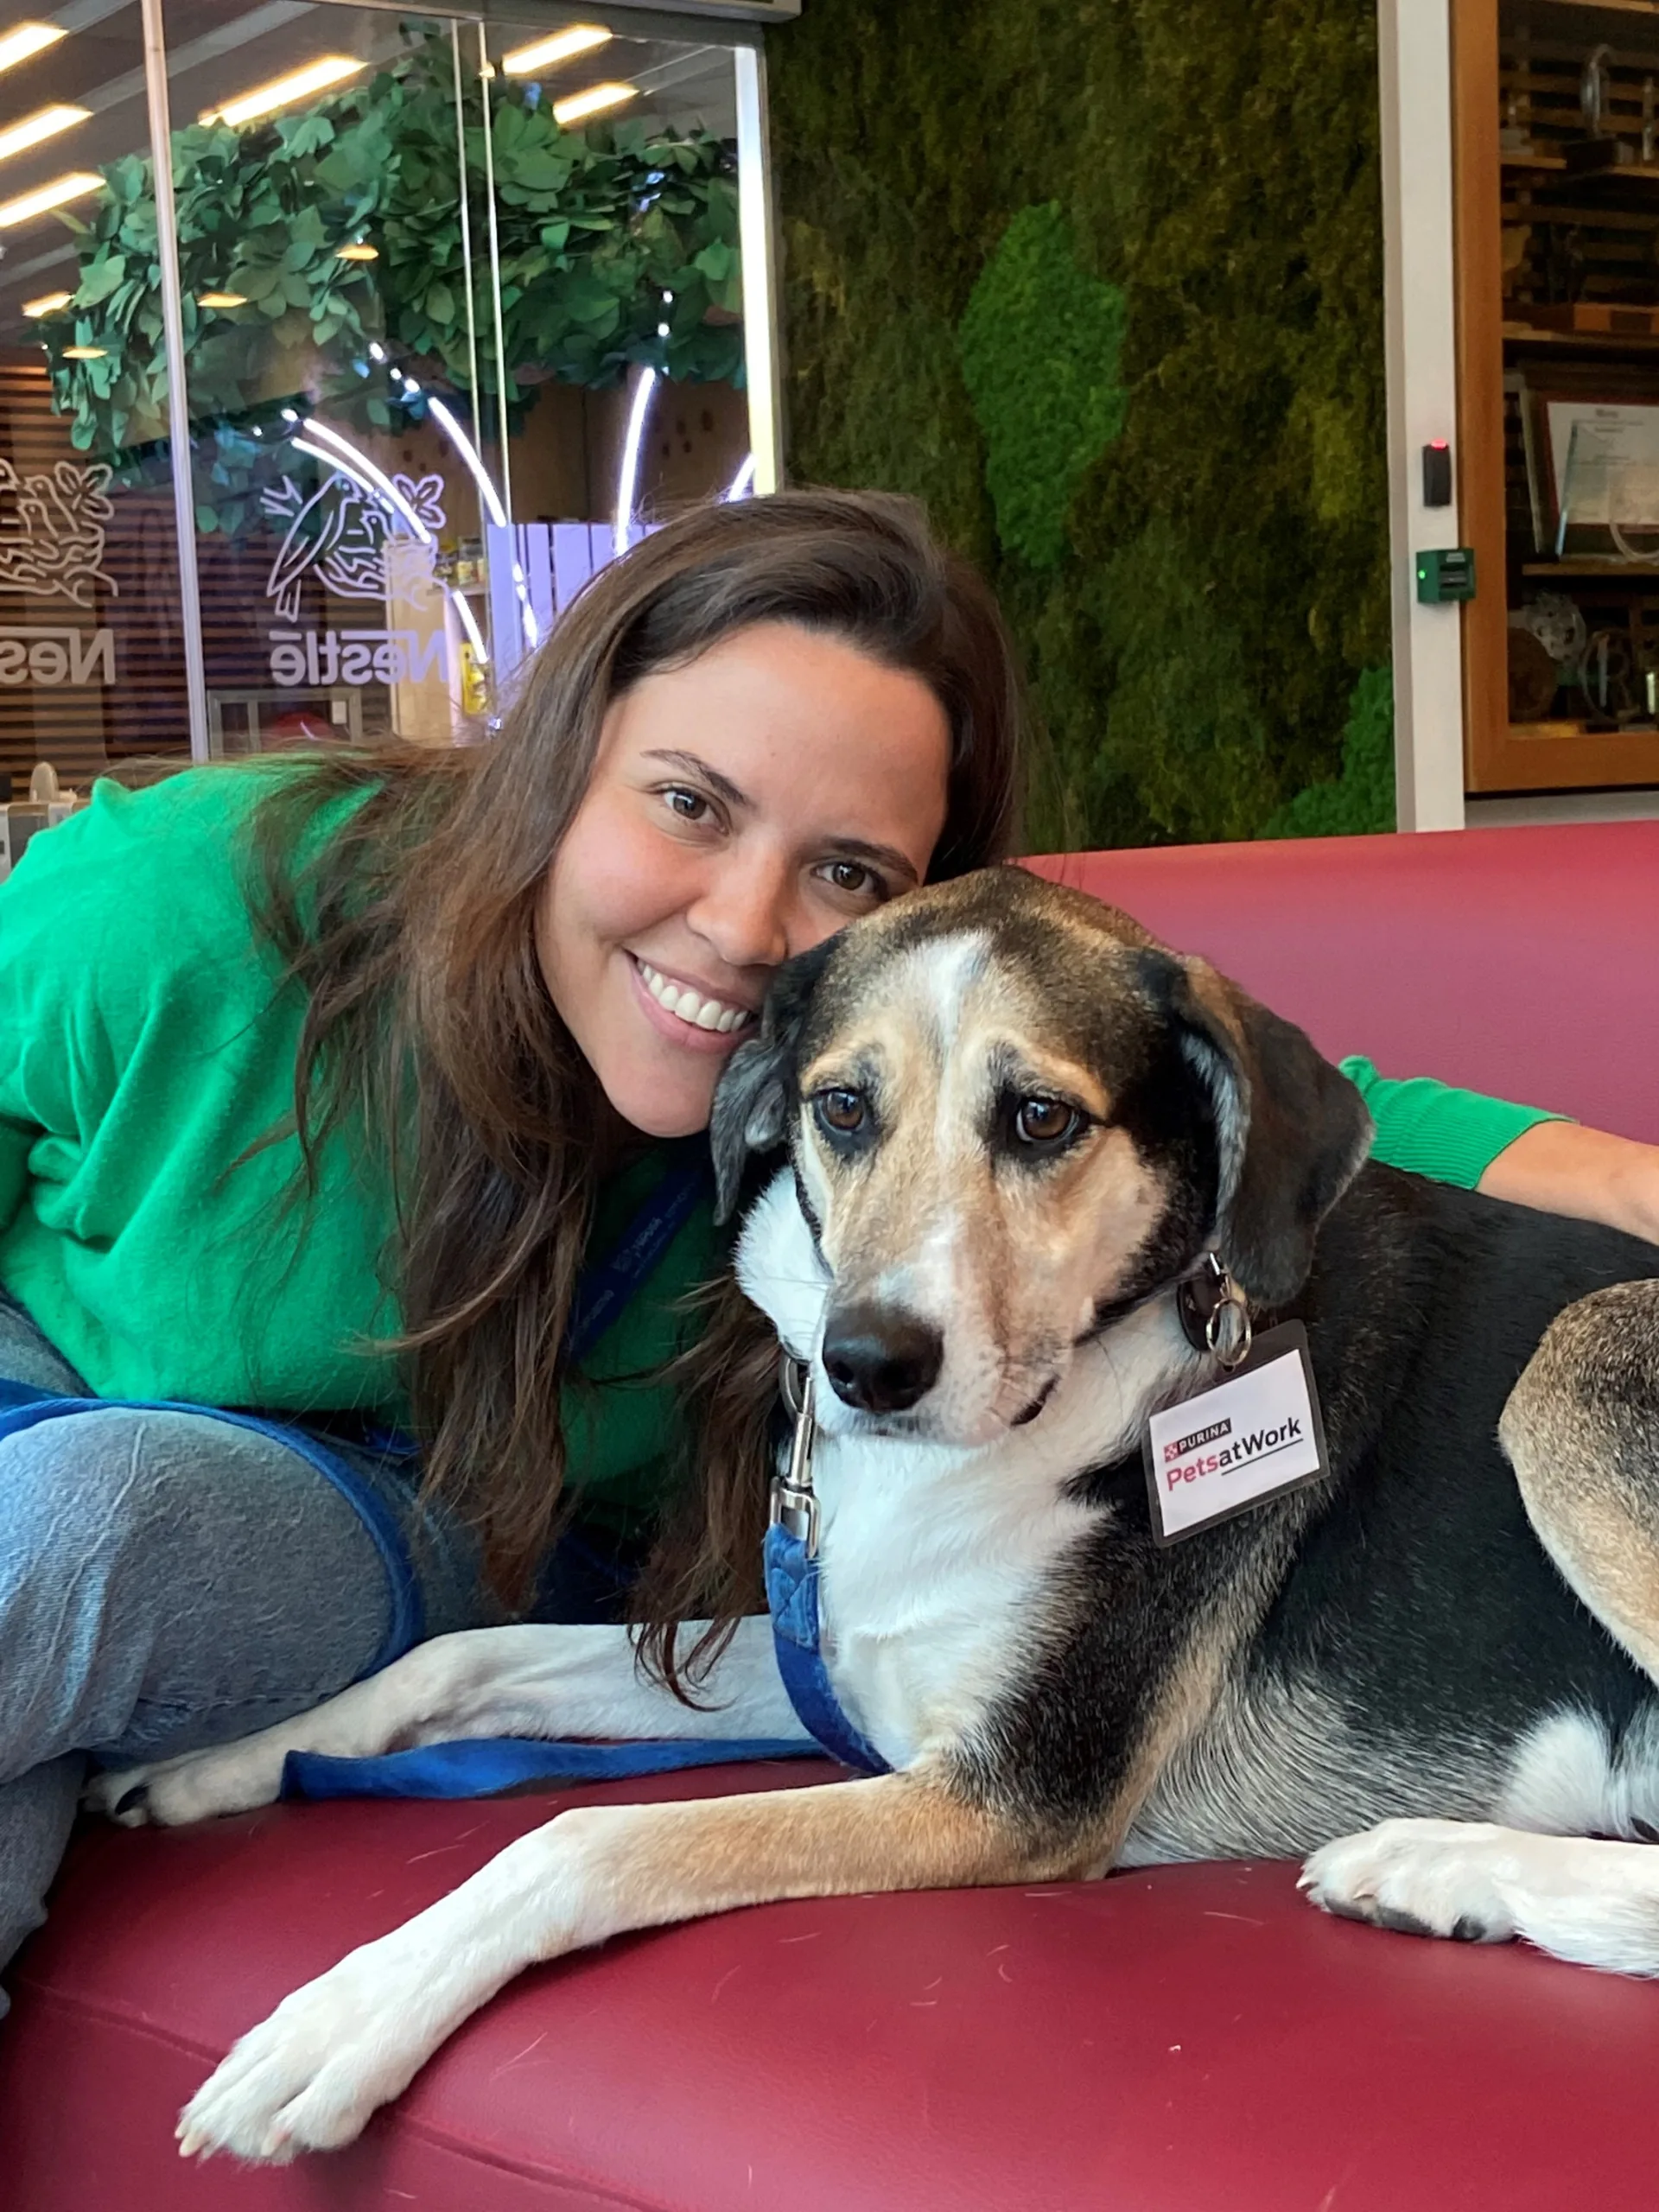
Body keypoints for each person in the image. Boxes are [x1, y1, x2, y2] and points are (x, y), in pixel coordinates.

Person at [0, 488, 1654, 2012]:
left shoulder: (830, 1091)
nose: (738, 928)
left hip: (368, 1521)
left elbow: (1201, 1077)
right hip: (55, 1383)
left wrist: (1607, 1170)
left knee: (87, 1530)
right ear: (554, 762)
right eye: (687, 803)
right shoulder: (166, 907)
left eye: (846, 870)